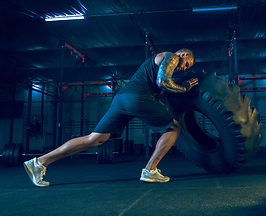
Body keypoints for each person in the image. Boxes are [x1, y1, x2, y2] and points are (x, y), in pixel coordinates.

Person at [23, 49, 198, 187]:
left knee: (94, 138)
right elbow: (163, 83)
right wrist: (185, 87)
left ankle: (39, 162)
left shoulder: (158, 63)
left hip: (121, 99)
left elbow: (159, 86)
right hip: (137, 98)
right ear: (182, 55)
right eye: (187, 64)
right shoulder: (171, 57)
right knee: (174, 127)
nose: (184, 68)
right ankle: (150, 170)